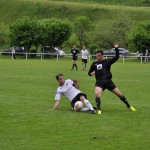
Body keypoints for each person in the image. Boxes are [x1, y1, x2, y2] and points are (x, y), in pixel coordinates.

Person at [88, 42, 136, 115]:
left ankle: (129, 106)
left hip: (108, 82)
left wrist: (116, 48)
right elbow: (89, 73)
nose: (98, 57)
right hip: (99, 82)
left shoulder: (107, 61)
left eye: (99, 55)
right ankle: (99, 110)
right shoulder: (94, 64)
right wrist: (92, 73)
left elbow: (116, 57)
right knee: (97, 94)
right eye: (97, 56)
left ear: (102, 55)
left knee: (119, 94)